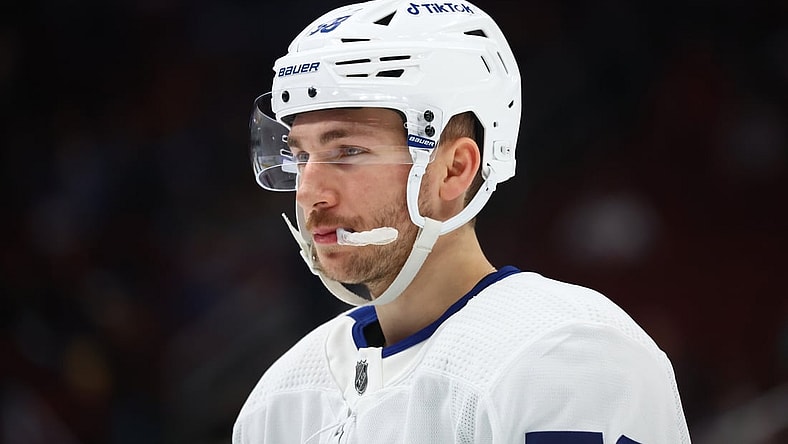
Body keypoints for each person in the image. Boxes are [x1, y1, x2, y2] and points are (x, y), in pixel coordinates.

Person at [234, 0, 691, 442]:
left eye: (348, 152)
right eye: (300, 156)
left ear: (454, 169)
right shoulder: (280, 399)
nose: (310, 193)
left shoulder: (565, 356)